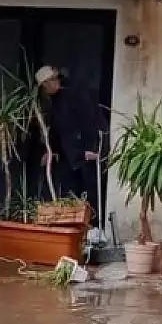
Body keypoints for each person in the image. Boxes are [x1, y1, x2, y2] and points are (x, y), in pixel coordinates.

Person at [35, 66, 103, 218]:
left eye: (55, 78)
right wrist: (52, 150)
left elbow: (88, 121)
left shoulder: (73, 96)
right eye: (51, 80)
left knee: (89, 193)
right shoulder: (49, 103)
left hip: (83, 152)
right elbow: (57, 130)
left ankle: (92, 227)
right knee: (70, 193)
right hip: (68, 155)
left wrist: (89, 147)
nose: (55, 82)